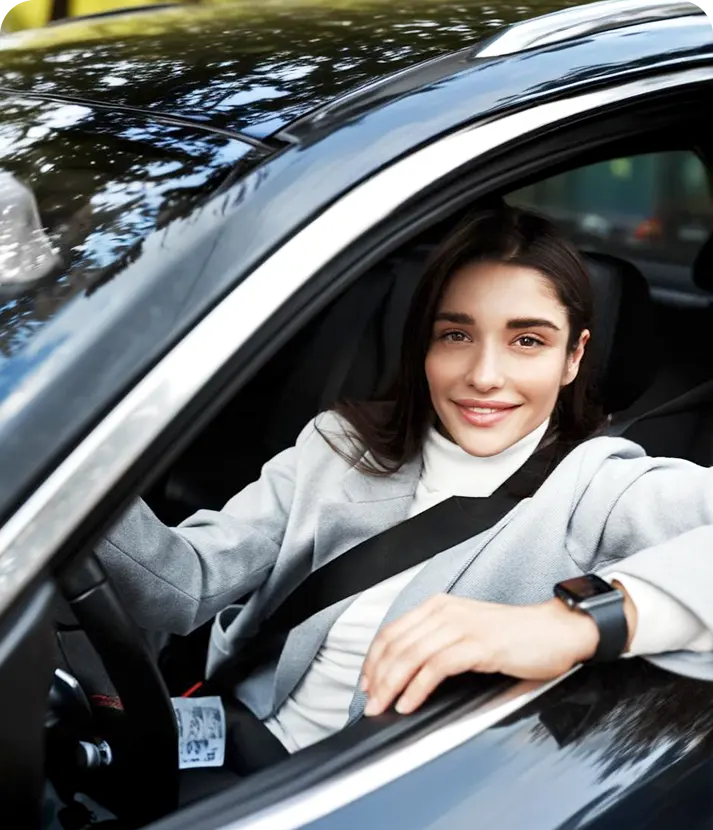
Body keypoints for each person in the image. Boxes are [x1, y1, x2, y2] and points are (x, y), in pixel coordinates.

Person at [97, 206, 713, 759]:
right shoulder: (338, 445)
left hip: (374, 815)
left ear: (573, 357)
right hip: (237, 738)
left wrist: (577, 621)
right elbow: (179, 587)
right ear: (424, 346)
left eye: (527, 340)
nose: (485, 375)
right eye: (456, 336)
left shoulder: (602, 490)